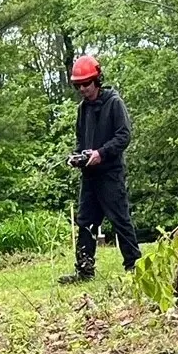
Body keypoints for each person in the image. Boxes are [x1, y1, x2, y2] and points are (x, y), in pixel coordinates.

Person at [59, 55, 141, 284]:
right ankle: (84, 270)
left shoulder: (114, 103)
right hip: (89, 177)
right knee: (85, 222)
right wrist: (77, 157)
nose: (83, 89)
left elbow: (124, 135)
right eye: (78, 85)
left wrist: (101, 153)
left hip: (110, 173)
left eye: (86, 83)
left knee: (120, 220)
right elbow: (80, 141)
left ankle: (134, 266)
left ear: (97, 80)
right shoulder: (82, 110)